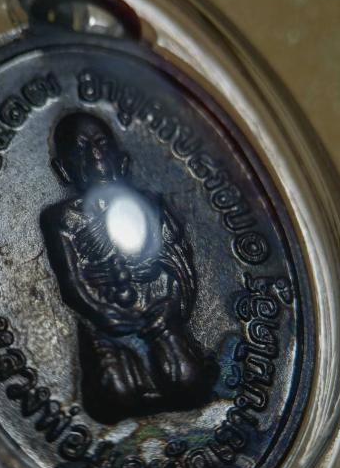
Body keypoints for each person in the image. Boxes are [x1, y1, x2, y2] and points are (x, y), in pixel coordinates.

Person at [40, 112, 217, 423]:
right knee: (118, 395)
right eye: (81, 149)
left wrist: (169, 306)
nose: (95, 157)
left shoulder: (150, 205)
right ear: (64, 169)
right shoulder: (63, 219)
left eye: (101, 145)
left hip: (160, 316)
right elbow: (72, 283)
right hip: (107, 325)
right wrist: (106, 313)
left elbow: (178, 260)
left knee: (189, 381)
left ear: (121, 160)